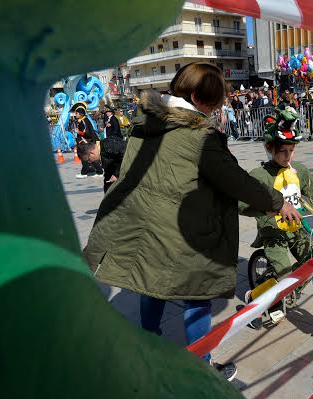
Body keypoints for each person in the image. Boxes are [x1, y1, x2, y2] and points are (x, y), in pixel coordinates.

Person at [83, 62, 301, 381]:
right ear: (198, 96)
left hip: (144, 226)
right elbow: (235, 179)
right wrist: (277, 202)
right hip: (178, 228)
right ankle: (202, 362)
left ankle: (150, 343)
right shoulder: (199, 135)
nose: (215, 110)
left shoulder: (145, 122)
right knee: (198, 294)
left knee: (151, 285)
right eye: (213, 103)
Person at [240, 107, 313, 328]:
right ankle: (254, 298)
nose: (288, 156)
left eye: (292, 150)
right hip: (274, 232)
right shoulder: (259, 176)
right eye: (283, 151)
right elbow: (242, 204)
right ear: (269, 148)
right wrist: (267, 210)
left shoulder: (297, 170)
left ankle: (291, 290)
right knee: (284, 274)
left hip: (298, 228)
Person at [71, 103, 103, 179]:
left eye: (77, 113)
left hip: (87, 143)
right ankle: (98, 171)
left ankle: (84, 173)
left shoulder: (84, 121)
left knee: (85, 157)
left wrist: (78, 132)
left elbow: (87, 133)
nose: (76, 114)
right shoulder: (82, 120)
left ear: (81, 114)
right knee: (90, 157)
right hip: (87, 142)